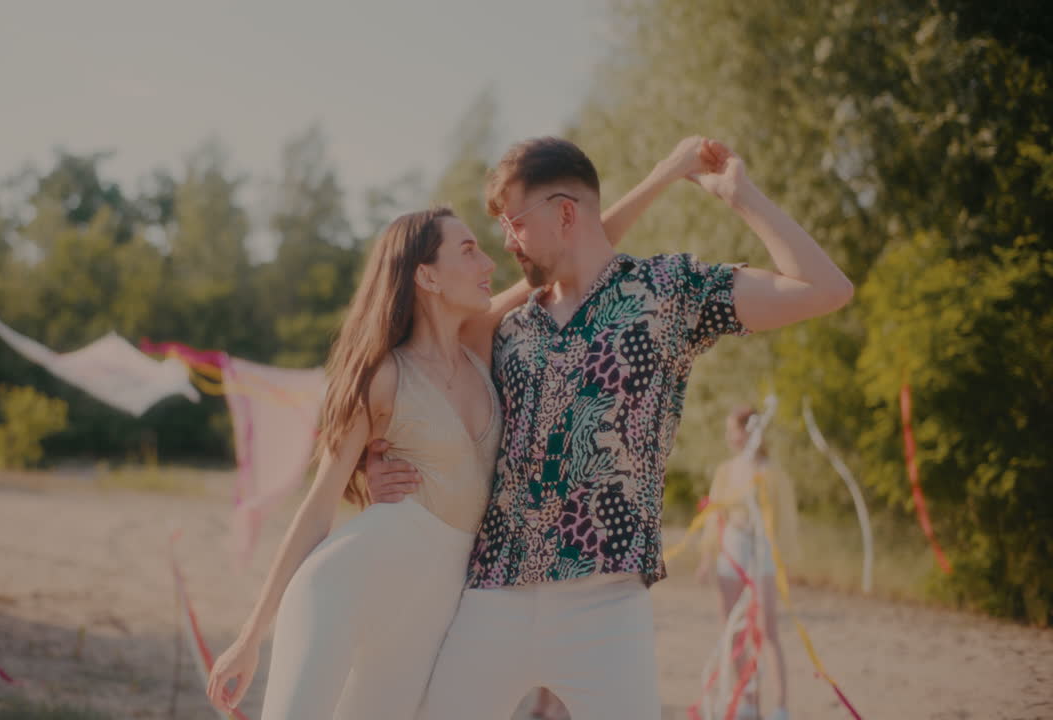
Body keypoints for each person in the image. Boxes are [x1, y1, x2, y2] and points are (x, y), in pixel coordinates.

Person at [206, 139, 704, 719]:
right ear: (428, 276)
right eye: (468, 250)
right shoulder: (383, 377)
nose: (489, 262)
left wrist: (665, 175)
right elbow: (316, 511)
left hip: (434, 608)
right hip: (345, 587)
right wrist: (249, 637)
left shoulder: (486, 346)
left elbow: (583, 248)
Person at [365, 136, 853, 719]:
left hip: (606, 606)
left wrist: (741, 196)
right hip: (494, 593)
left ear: (565, 213)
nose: (505, 242)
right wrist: (379, 457)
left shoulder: (671, 291)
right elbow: (416, 378)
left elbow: (827, 289)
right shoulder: (506, 327)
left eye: (515, 222)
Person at [696, 406, 799, 720]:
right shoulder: (726, 471)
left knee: (768, 628)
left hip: (763, 549)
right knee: (732, 627)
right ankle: (748, 697)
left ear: (749, 432)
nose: (730, 437)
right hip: (733, 547)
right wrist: (707, 556)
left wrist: (782, 563)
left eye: (734, 430)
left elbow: (785, 521)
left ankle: (780, 706)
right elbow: (715, 515)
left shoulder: (773, 473)